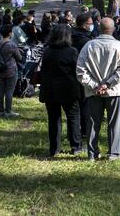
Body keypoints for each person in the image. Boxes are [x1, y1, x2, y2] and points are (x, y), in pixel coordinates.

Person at [76, 17, 120, 161]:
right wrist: (108, 84)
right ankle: (114, 152)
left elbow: (81, 71)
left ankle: (92, 154)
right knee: (114, 123)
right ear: (113, 29)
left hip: (94, 91)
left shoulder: (89, 46)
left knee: (93, 123)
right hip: (115, 90)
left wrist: (95, 86)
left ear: (99, 28)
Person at [40, 24, 82, 157]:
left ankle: (54, 148)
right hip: (68, 89)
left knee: (53, 119)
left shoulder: (47, 51)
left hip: (50, 89)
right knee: (73, 117)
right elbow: (78, 70)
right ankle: (75, 146)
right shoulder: (72, 51)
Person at [0, 24, 24, 117]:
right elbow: (19, 58)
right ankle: (8, 111)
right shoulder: (12, 45)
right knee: (9, 91)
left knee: (0, 89)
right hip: (10, 69)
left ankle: (0, 111)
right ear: (10, 33)